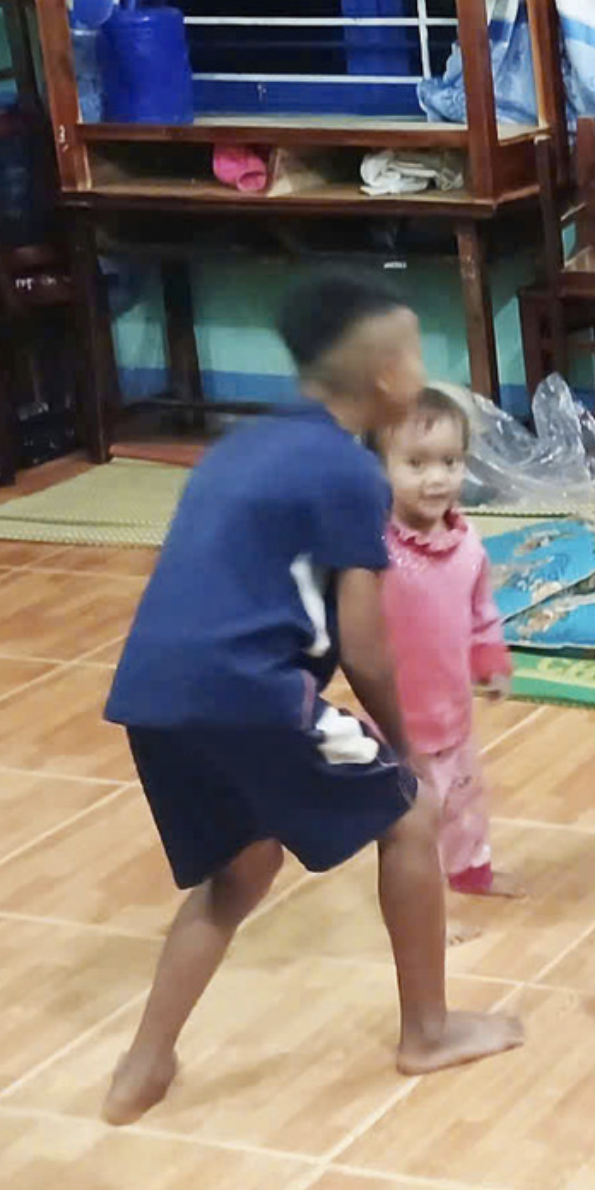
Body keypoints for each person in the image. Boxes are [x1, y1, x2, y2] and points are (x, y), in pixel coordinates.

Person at [97, 272, 523, 1125]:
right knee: (409, 816)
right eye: (411, 350)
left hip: (152, 695)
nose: (417, 364)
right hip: (250, 692)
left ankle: (145, 1061)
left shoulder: (241, 446)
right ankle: (428, 1032)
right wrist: (401, 745)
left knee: (241, 868)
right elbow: (364, 639)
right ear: (384, 375)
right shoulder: (346, 471)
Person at [378, 387, 516, 915]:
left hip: (453, 711)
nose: (436, 478)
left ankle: (472, 872)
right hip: (399, 722)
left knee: (464, 801)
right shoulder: (376, 547)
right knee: (415, 820)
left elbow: (481, 612)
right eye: (415, 463)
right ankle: (424, 912)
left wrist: (491, 661)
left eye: (450, 462)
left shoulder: (469, 545)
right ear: (381, 466)